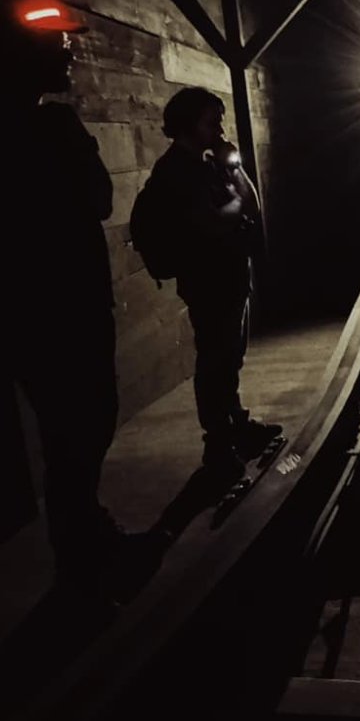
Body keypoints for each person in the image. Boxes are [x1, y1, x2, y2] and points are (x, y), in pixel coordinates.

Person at [0, 0, 131, 589]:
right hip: (61, 309)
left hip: (26, 313)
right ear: (22, 54)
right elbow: (97, 199)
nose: (69, 58)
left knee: (71, 433)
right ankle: (82, 563)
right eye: (57, 49)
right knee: (80, 429)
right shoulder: (46, 125)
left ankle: (86, 539)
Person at [137, 87, 281, 487]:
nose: (219, 129)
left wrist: (233, 168)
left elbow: (250, 203)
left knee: (230, 355)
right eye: (211, 121)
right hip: (207, 280)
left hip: (230, 273)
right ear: (188, 125)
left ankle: (236, 425)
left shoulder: (207, 164)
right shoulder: (176, 171)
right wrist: (232, 207)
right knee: (215, 360)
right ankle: (217, 447)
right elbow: (217, 221)